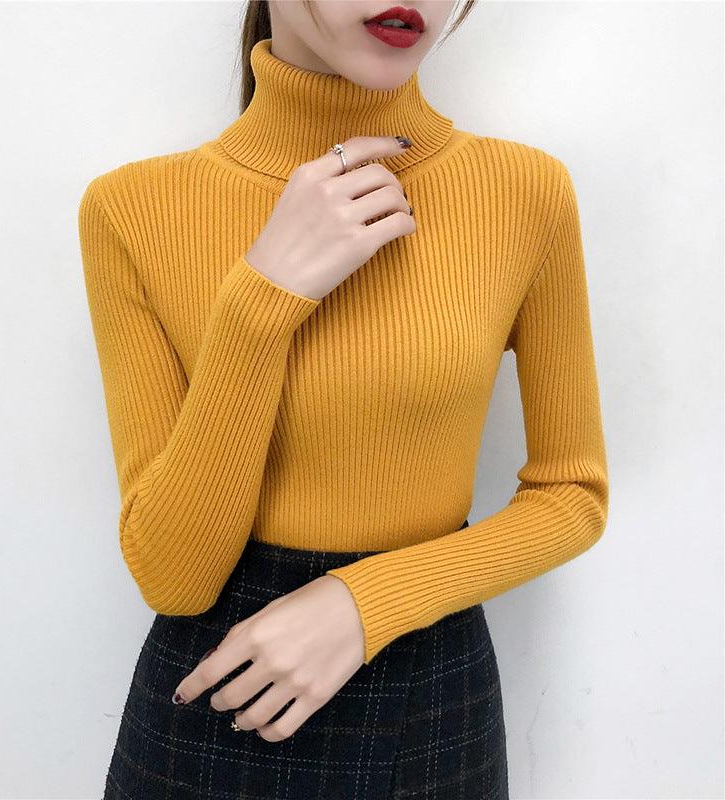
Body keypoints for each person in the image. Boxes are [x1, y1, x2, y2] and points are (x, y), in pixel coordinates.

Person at [78, 1, 608, 797]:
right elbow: (174, 578)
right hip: (220, 697)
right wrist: (262, 298)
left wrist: (367, 602)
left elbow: (573, 494)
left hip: (431, 690)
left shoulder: (526, 191)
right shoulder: (131, 208)